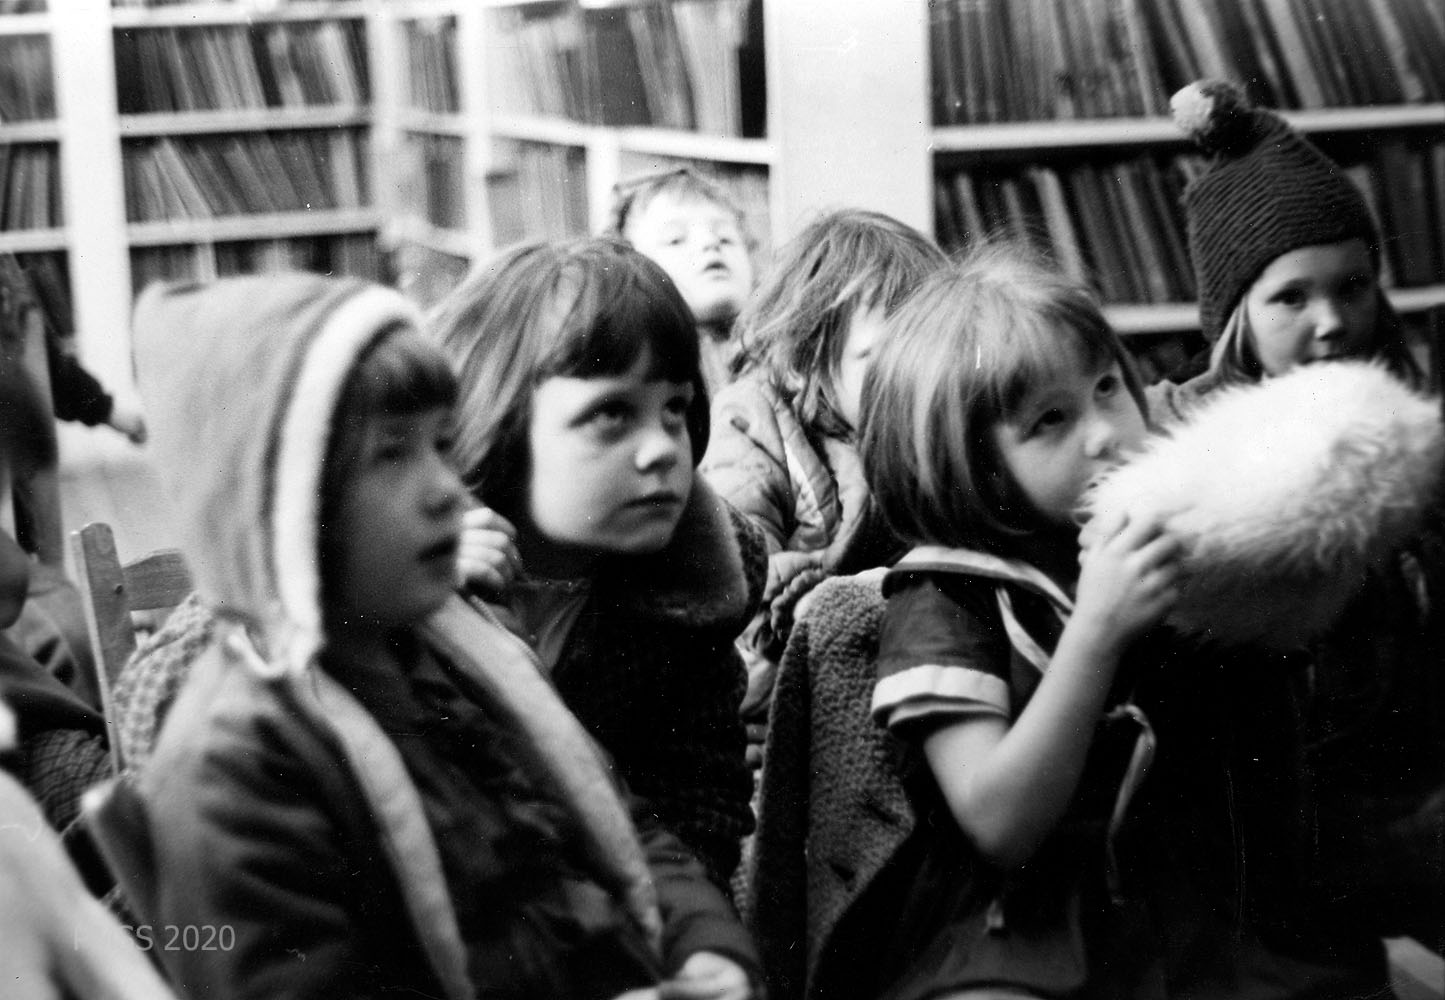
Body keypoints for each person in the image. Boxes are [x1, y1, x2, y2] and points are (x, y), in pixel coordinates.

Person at [754, 240, 1384, 1000]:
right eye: (1050, 420)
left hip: (1184, 911)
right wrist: (1096, 632)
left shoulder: (1157, 535)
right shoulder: (947, 598)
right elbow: (997, 824)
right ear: (972, 465)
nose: (1105, 432)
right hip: (1018, 929)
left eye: (1107, 387)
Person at [111, 273, 760, 1000]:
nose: (447, 488)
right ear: (282, 498)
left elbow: (622, 828)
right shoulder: (237, 764)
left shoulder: (471, 648)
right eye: (392, 454)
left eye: (441, 446)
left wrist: (706, 946)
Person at [1153, 77, 1445, 947]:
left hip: (1405, 795)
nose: (1331, 322)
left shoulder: (1411, 430)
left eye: (1352, 286)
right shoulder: (1177, 440)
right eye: (1290, 298)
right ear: (1233, 315)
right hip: (1258, 831)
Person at [432, 237, 763, 892]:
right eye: (612, 413)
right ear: (498, 417)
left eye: (674, 408)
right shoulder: (400, 567)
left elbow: (698, 809)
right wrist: (420, 598)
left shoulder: (687, 590)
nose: (662, 448)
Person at [698, 209, 947, 748]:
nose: (918, 376)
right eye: (884, 357)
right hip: (774, 718)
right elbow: (738, 605)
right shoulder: (751, 424)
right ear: (806, 360)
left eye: (934, 349)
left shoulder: (945, 426)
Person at [604, 167, 757, 395]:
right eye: (675, 240)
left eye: (726, 238)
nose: (710, 243)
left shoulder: (779, 354)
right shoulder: (636, 368)